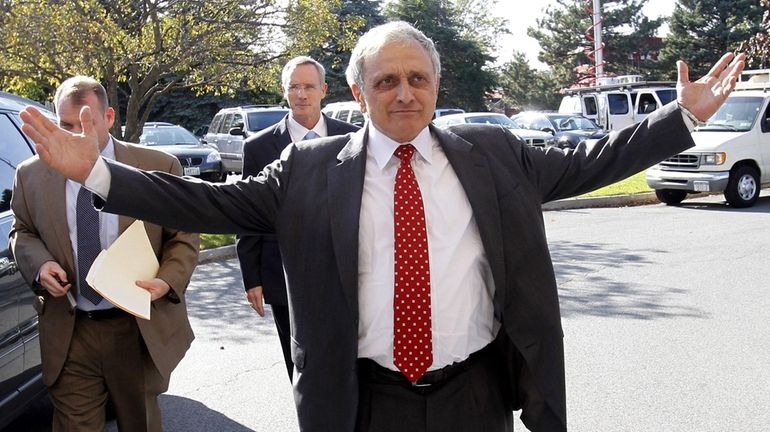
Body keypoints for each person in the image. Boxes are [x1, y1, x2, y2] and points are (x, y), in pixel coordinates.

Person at [20, 22, 744, 432]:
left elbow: (597, 157)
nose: (404, 92)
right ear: (359, 91)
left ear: (436, 86)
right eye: (386, 80)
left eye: (417, 78)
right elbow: (206, 207)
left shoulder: (493, 155)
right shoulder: (307, 172)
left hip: (475, 395)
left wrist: (683, 117)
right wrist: (97, 173)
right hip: (362, 401)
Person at [11, 76, 200, 431]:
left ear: (109, 117)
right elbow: (22, 231)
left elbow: (184, 235)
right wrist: (41, 264)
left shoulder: (157, 166)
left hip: (134, 327)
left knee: (138, 423)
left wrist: (166, 281)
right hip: (71, 330)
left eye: (85, 123)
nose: (75, 134)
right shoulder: (31, 175)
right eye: (64, 125)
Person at [237, 56, 359, 381]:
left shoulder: (354, 139)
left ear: (324, 90)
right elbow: (249, 213)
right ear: (284, 90)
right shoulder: (259, 147)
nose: (301, 94)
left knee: (348, 365)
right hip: (283, 275)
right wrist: (252, 276)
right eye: (294, 86)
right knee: (300, 367)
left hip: (346, 273)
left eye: (308, 86)